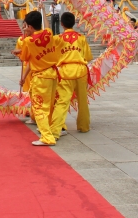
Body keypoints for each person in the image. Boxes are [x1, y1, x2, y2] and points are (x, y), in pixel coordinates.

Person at [13, 10, 60, 146]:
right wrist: (43, 10)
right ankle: (49, 130)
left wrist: (19, 51)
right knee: (49, 105)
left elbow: (25, 58)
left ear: (31, 27)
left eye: (26, 26)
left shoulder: (28, 41)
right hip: (52, 74)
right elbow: (47, 26)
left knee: (39, 107)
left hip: (41, 77)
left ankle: (47, 137)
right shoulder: (49, 33)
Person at [49, 12, 94, 140]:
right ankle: (84, 126)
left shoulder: (58, 38)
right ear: (74, 23)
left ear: (61, 24)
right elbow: (87, 57)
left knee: (62, 102)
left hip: (65, 71)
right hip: (81, 70)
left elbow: (50, 47)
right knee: (82, 101)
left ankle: (55, 130)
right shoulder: (81, 38)